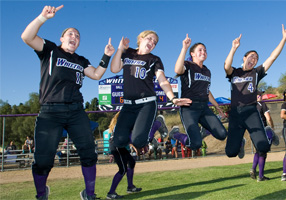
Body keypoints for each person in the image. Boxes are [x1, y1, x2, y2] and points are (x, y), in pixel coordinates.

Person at [21, 5, 115, 200]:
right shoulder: (50, 50)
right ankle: (41, 194)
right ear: (62, 38)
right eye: (70, 34)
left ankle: (89, 194)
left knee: (89, 153)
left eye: (78, 36)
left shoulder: (81, 60)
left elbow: (96, 74)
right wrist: (42, 18)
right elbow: (27, 37)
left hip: (75, 111)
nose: (74, 37)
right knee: (43, 159)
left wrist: (106, 56)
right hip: (50, 111)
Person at [110, 31, 191, 151]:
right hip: (128, 105)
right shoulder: (128, 53)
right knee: (118, 141)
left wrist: (173, 98)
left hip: (146, 104)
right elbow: (114, 69)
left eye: (155, 42)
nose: (152, 43)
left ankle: (157, 123)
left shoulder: (154, 59)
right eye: (150, 39)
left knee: (138, 141)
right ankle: (146, 133)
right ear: (141, 38)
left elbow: (162, 80)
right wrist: (120, 49)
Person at [224, 24, 286, 158]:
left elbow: (272, 57)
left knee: (263, 147)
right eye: (251, 56)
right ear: (244, 58)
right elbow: (226, 66)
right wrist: (233, 48)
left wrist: (284, 38)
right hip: (236, 113)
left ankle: (268, 131)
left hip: (251, 112)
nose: (253, 59)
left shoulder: (256, 73)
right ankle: (241, 142)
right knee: (230, 153)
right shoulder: (234, 72)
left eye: (256, 59)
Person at [169, 34, 227, 153]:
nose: (203, 52)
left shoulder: (207, 71)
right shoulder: (188, 65)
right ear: (192, 53)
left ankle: (202, 131)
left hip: (203, 108)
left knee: (222, 134)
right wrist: (184, 48)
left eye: (205, 50)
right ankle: (176, 134)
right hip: (189, 108)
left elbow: (207, 90)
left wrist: (216, 106)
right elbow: (177, 70)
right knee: (195, 144)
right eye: (200, 50)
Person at [107, 112, 142, 199]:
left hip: (118, 145)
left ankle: (130, 187)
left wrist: (134, 147)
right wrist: (136, 147)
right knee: (122, 169)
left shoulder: (121, 122)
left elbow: (126, 137)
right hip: (117, 146)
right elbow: (129, 137)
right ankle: (111, 193)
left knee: (131, 162)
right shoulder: (123, 122)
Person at [250, 91, 280, 182]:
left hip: (253, 131)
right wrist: (272, 127)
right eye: (260, 95)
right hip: (262, 131)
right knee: (263, 153)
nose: (261, 96)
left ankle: (253, 168)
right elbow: (268, 118)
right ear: (258, 96)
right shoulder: (262, 104)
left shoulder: (250, 106)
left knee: (258, 151)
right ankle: (261, 176)